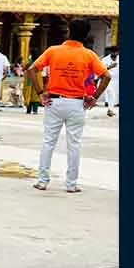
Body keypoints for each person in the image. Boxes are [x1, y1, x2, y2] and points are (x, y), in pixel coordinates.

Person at [28, 19, 111, 193]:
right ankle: (71, 184)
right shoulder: (89, 54)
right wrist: (94, 97)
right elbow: (106, 76)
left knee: (48, 142)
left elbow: (31, 69)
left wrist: (40, 92)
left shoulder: (53, 51)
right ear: (86, 35)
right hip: (76, 103)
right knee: (74, 144)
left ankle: (42, 181)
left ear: (68, 31)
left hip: (54, 101)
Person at [102, 45, 119, 117]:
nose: (115, 54)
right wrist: (109, 67)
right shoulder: (105, 59)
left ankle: (110, 109)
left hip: (117, 79)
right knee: (111, 93)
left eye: (116, 52)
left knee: (114, 95)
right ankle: (109, 109)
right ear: (110, 52)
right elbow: (101, 70)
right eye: (113, 52)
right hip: (107, 80)